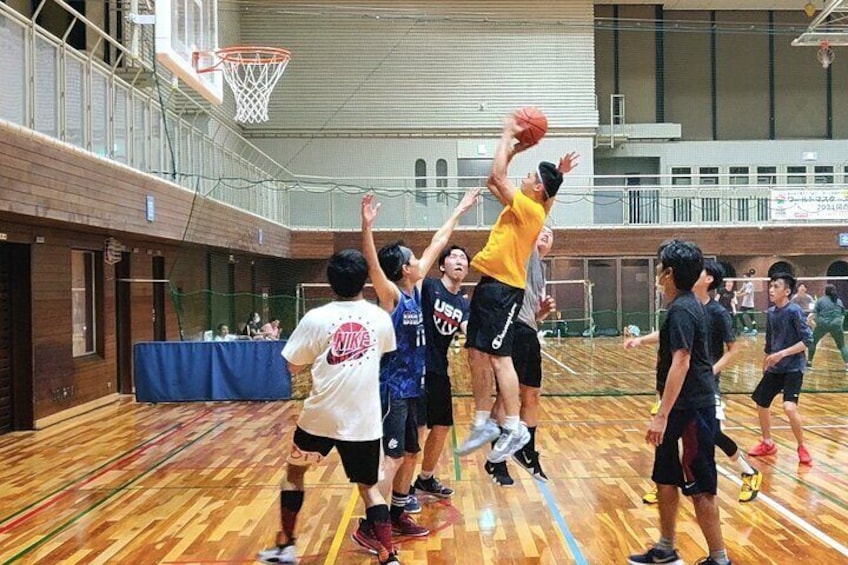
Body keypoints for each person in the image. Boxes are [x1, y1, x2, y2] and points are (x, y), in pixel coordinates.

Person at [354, 188, 479, 548]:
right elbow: (374, 265)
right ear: (404, 268)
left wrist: (459, 210)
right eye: (412, 258)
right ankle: (370, 525)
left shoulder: (416, 290)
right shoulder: (392, 293)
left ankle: (395, 514)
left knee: (411, 454)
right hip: (394, 389)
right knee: (392, 459)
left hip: (416, 388)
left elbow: (438, 243)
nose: (418, 260)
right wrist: (367, 228)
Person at [257, 249, 399, 565]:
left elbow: (292, 366)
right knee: (370, 489)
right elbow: (386, 352)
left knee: (294, 474)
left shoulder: (315, 318)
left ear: (329, 281)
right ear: (364, 280)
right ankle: (389, 556)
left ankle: (286, 548)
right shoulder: (379, 318)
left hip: (319, 419)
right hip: (363, 421)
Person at [455, 112, 578, 465]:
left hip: (504, 290)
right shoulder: (526, 204)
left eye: (530, 176)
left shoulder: (530, 209)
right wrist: (516, 150)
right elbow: (494, 180)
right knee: (477, 352)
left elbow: (496, 176)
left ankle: (513, 426)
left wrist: (508, 134)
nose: (524, 178)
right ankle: (482, 421)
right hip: (489, 283)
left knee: (499, 356)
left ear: (537, 188)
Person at [628, 240, 731, 565]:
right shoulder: (681, 308)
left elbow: (682, 361)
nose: (657, 272)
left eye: (660, 267)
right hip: (678, 409)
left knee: (701, 486)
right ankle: (665, 548)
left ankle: (719, 558)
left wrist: (661, 414)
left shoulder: (684, 309)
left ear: (668, 273)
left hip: (692, 410)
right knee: (665, 478)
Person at [632, 260, 762, 505]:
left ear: (709, 279)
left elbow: (733, 349)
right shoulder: (687, 307)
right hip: (684, 384)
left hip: (703, 386)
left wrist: (711, 371)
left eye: (700, 271)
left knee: (710, 435)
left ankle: (749, 472)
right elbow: (672, 335)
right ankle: (664, 484)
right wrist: (641, 341)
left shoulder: (718, 313)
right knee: (671, 433)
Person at [487, 226, 556, 486]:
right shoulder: (525, 254)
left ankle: (526, 450)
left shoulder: (540, 269)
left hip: (529, 329)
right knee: (507, 396)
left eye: (551, 233)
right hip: (512, 328)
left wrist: (541, 314)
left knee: (532, 394)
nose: (546, 233)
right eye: (541, 230)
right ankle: (496, 459)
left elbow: (531, 309)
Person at [410, 245, 471, 503]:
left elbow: (469, 331)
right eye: (453, 257)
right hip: (417, 367)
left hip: (439, 371)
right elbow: (429, 255)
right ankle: (402, 490)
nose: (459, 261)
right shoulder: (429, 287)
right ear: (443, 265)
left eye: (463, 259)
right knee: (418, 429)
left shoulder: (463, 303)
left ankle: (425, 478)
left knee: (443, 426)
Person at [748, 273, 814, 466]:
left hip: (793, 368)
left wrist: (782, 354)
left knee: (789, 407)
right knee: (761, 402)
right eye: (771, 286)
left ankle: (802, 446)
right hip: (775, 368)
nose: (771, 289)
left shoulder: (794, 311)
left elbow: (807, 341)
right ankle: (767, 442)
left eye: (776, 286)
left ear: (786, 291)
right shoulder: (771, 313)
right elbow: (769, 344)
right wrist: (766, 362)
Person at [807, 284, 848, 371]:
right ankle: (847, 364)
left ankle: (809, 362)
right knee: (842, 346)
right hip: (836, 324)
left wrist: (811, 324)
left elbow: (812, 315)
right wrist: (839, 324)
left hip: (823, 324)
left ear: (825, 291)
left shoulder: (820, 301)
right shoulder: (839, 301)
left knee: (813, 342)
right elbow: (843, 315)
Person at [736, 270, 758, 335]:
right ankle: (745, 328)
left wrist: (738, 295)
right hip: (744, 304)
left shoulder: (750, 284)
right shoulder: (744, 283)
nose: (744, 278)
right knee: (739, 315)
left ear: (748, 277)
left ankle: (754, 330)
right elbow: (741, 290)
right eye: (743, 277)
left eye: (745, 277)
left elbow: (746, 293)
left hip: (750, 304)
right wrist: (734, 293)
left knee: (752, 318)